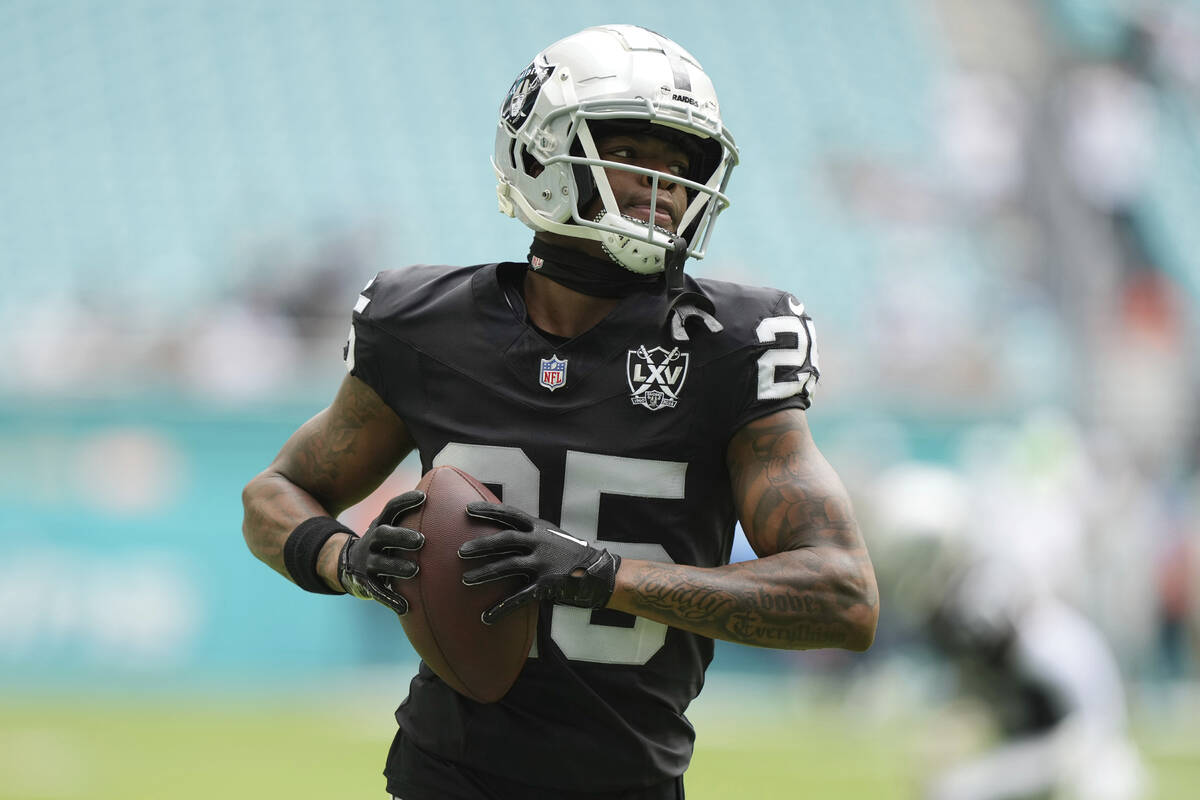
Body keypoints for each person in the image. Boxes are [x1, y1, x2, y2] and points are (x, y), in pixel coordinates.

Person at [242, 24, 878, 800]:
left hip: (631, 780)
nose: (667, 186)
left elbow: (843, 597)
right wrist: (343, 560)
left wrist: (605, 576)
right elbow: (272, 495)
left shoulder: (731, 344)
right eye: (634, 156)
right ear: (542, 156)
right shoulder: (424, 325)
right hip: (445, 776)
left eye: (680, 166)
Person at [869, 463, 1146, 800]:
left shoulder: (975, 604)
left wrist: (946, 737)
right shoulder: (967, 588)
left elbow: (985, 691)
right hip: (1051, 726)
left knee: (953, 792)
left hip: (1077, 730)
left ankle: (1107, 768)